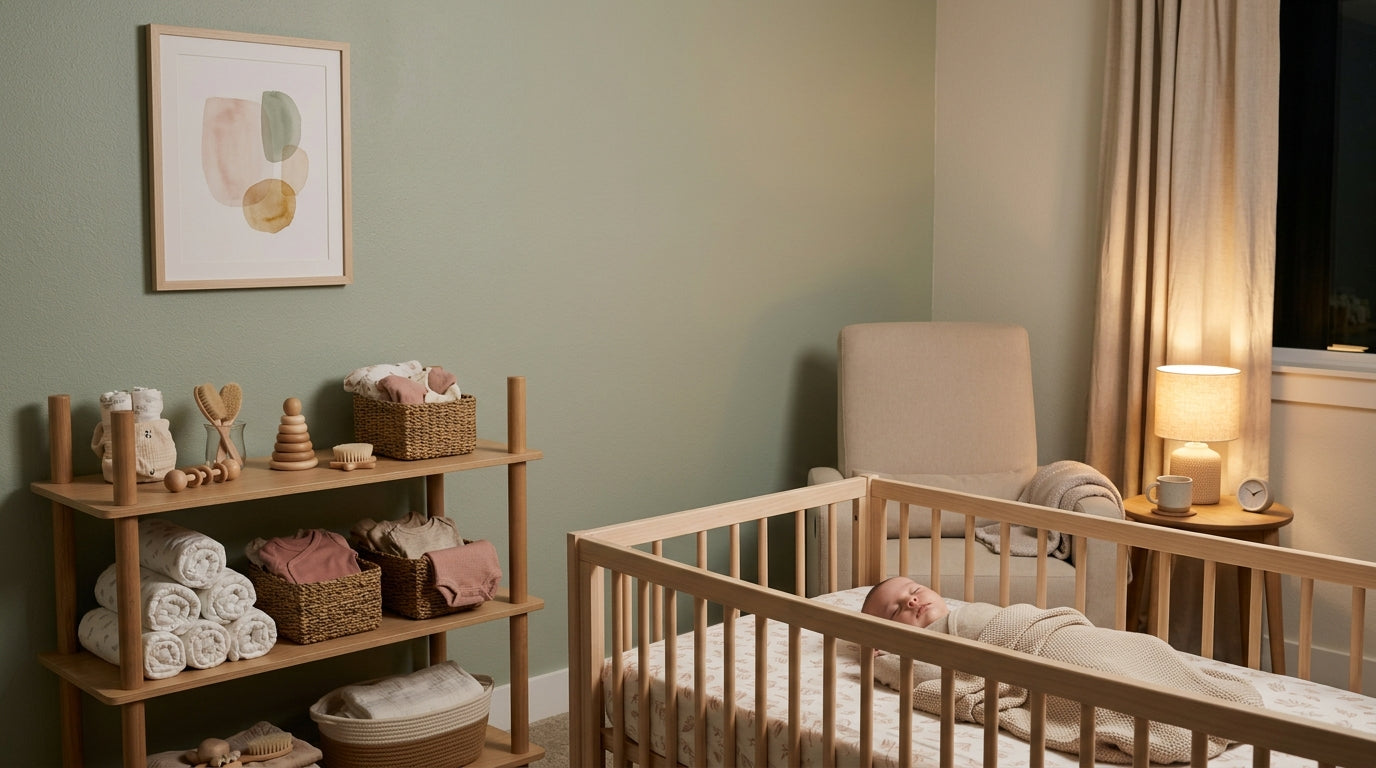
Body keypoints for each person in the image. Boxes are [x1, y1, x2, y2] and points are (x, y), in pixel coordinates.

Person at [856, 575, 1263, 763]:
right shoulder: (920, 652)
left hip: (1054, 634)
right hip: (1039, 664)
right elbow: (921, 679)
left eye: (913, 591)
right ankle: (1171, 718)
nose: (910, 602)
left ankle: (1198, 696)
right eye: (895, 610)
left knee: (1138, 649)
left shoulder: (968, 611)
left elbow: (1020, 623)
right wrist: (884, 659)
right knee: (1100, 683)